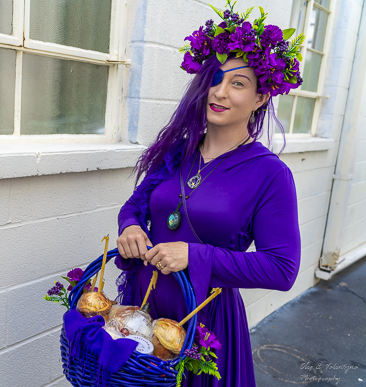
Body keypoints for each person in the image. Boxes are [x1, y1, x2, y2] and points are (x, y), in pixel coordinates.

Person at [115, 2, 303, 386]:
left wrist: (196, 255)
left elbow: (282, 269)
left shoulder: (270, 174)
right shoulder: (176, 151)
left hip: (203, 320)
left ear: (261, 97)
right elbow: (136, 205)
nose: (219, 92)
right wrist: (130, 225)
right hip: (142, 305)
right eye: (214, 78)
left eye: (238, 83)